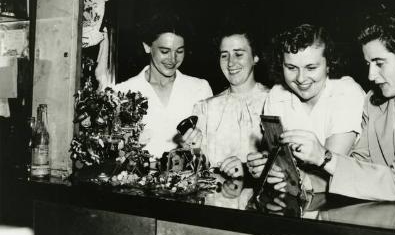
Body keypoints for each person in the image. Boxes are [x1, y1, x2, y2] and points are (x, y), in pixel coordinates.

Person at [281, 9, 395, 200]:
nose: (371, 75)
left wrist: (324, 157)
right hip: (394, 215)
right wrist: (303, 181)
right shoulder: (375, 105)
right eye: (368, 64)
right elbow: (359, 167)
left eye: (379, 63)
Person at [247, 23, 366, 192]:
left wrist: (293, 177)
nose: (301, 79)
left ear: (329, 64)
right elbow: (278, 158)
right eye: (291, 68)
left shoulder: (346, 93)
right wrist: (264, 166)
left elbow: (332, 168)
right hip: (296, 198)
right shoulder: (277, 95)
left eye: (311, 68)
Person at [114, 11, 213, 158]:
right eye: (165, 51)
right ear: (147, 47)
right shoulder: (122, 92)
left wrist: (196, 147)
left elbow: (212, 147)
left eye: (179, 51)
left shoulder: (200, 88)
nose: (172, 59)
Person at [184, 24, 269, 178]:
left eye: (238, 54)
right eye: (224, 55)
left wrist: (247, 169)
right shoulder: (206, 108)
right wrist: (194, 148)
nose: (230, 63)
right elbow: (198, 169)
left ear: (255, 57)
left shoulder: (275, 102)